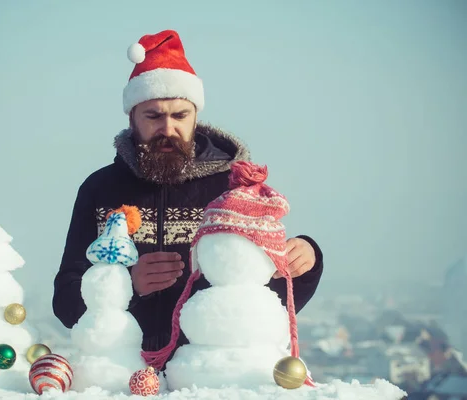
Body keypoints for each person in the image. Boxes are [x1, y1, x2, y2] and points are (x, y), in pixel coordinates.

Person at [52, 29, 324, 364]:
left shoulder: (233, 189)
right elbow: (66, 302)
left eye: (180, 115)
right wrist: (126, 285)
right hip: (120, 369)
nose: (168, 128)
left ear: (195, 116)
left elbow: (267, 297)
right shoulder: (100, 189)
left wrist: (306, 260)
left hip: (209, 370)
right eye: (153, 115)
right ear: (132, 117)